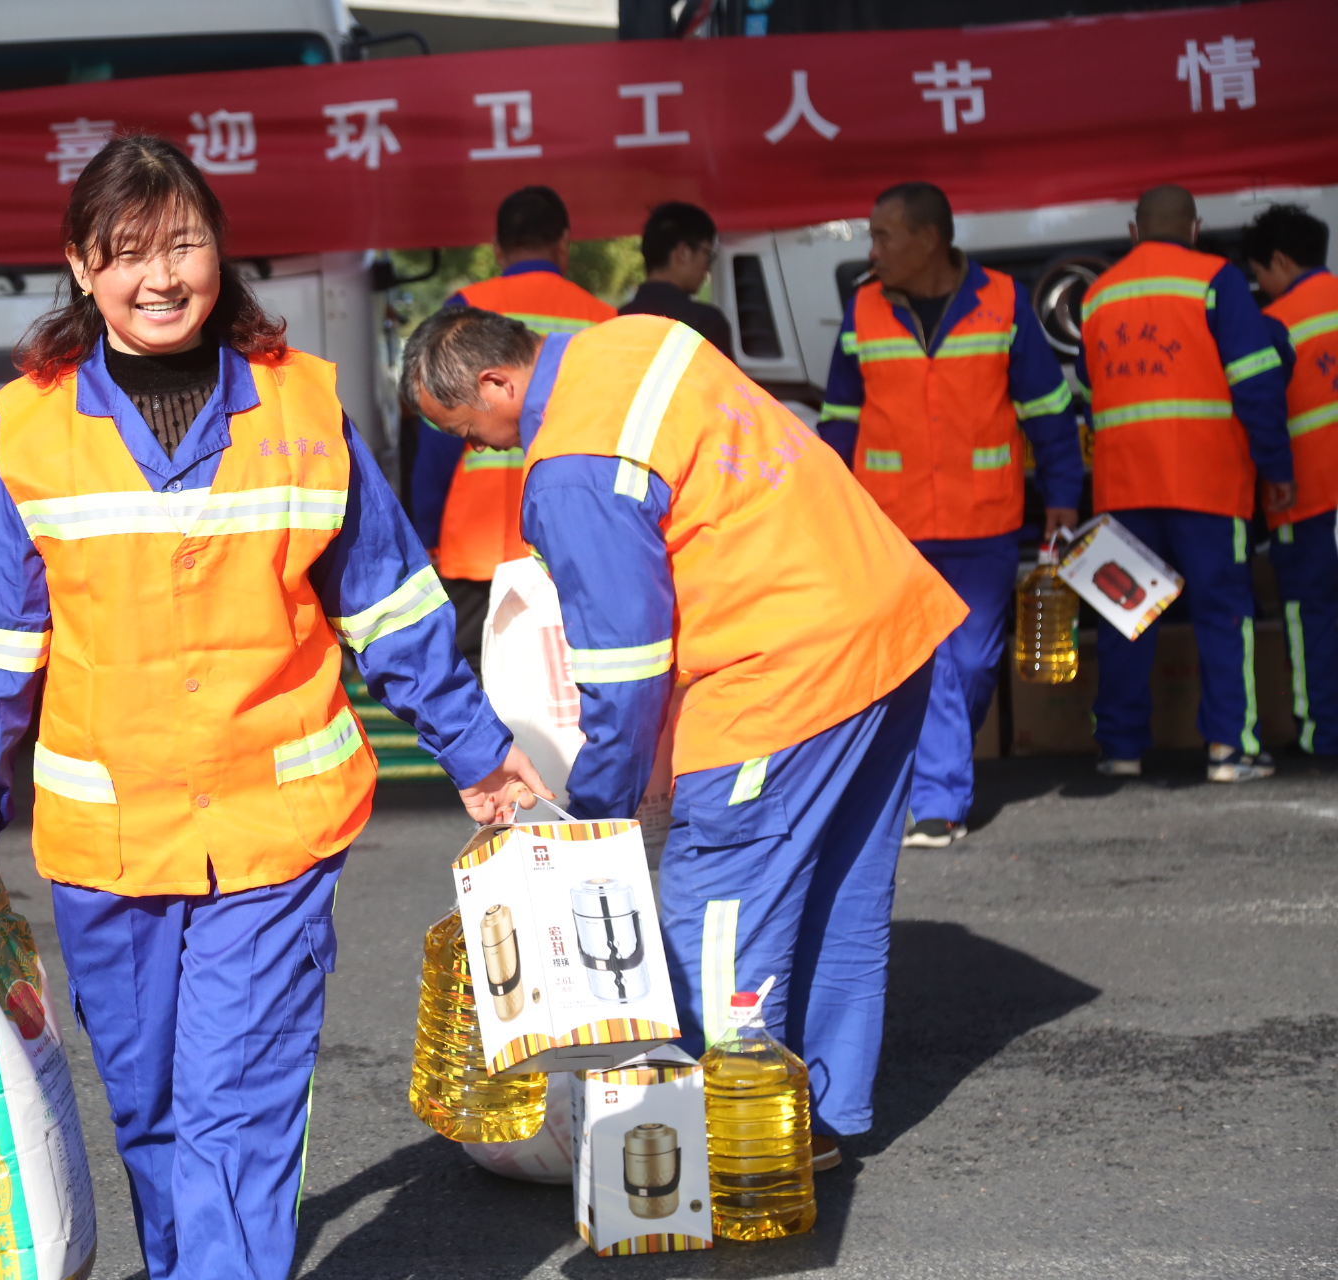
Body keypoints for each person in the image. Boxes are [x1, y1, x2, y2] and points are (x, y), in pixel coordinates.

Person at [0, 136, 546, 1280]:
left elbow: (393, 605)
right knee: (153, 1110)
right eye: (127, 253)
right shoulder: (32, 427)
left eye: (185, 244)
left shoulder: (303, 404)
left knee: (233, 1108)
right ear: (80, 265)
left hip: (274, 828)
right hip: (108, 839)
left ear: (223, 251)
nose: (160, 277)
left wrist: (477, 751)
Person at [402, 306, 967, 1172]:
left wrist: (594, 822)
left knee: (713, 909)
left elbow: (626, 671)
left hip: (781, 668)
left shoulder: (572, 467)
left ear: (494, 384)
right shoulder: (637, 339)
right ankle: (822, 1117)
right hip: (885, 624)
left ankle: (719, 1153)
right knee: (840, 893)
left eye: (469, 433)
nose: (481, 450)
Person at [820, 182, 1083, 848]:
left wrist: (1062, 497)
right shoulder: (863, 310)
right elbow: (840, 419)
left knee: (969, 663)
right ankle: (938, 802)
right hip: (891, 523)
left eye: (883, 236)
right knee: (924, 661)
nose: (871, 250)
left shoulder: (1003, 302)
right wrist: (826, 507)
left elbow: (1049, 410)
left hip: (983, 519)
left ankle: (930, 772)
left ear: (928, 239)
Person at [1075, 185, 1294, 782]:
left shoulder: (1097, 295)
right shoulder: (1216, 280)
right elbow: (1256, 383)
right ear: (1195, 228)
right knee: (1223, 614)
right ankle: (1230, 747)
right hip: (1205, 484)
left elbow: (1091, 390)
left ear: (1132, 230)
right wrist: (1276, 470)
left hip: (1123, 487)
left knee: (1126, 616)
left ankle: (1119, 749)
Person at [409, 185, 617, 669]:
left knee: (483, 688)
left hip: (476, 550)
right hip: (569, 544)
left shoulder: (464, 312)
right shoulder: (603, 320)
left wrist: (427, 534)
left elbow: (440, 437)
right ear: (564, 242)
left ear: (497, 248)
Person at [1244, 203, 1338, 756]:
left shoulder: (1275, 324)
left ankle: (1324, 736)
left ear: (1280, 259)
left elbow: (1259, 411)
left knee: (1313, 617)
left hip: (1308, 499)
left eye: (1259, 273)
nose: (1259, 286)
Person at [618, 200, 733, 353]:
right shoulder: (706, 322)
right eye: (707, 255)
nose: (707, 266)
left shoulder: (617, 319)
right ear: (682, 253)